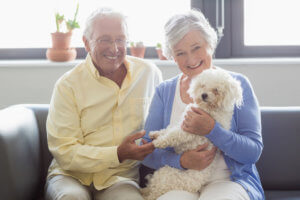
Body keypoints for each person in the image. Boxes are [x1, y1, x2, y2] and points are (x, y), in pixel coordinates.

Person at [140, 10, 264, 200]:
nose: (190, 59)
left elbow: (252, 151)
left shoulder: (236, 85)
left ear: (210, 45)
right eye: (180, 53)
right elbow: (145, 149)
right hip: (178, 179)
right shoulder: (164, 91)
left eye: (196, 47)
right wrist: (180, 160)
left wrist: (212, 130)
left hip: (229, 181)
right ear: (172, 56)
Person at [45, 8, 162, 200]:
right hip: (71, 176)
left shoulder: (149, 74)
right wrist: (117, 153)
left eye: (120, 39)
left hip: (120, 178)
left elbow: (164, 124)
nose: (114, 48)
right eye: (104, 39)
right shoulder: (67, 85)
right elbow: (65, 152)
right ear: (86, 43)